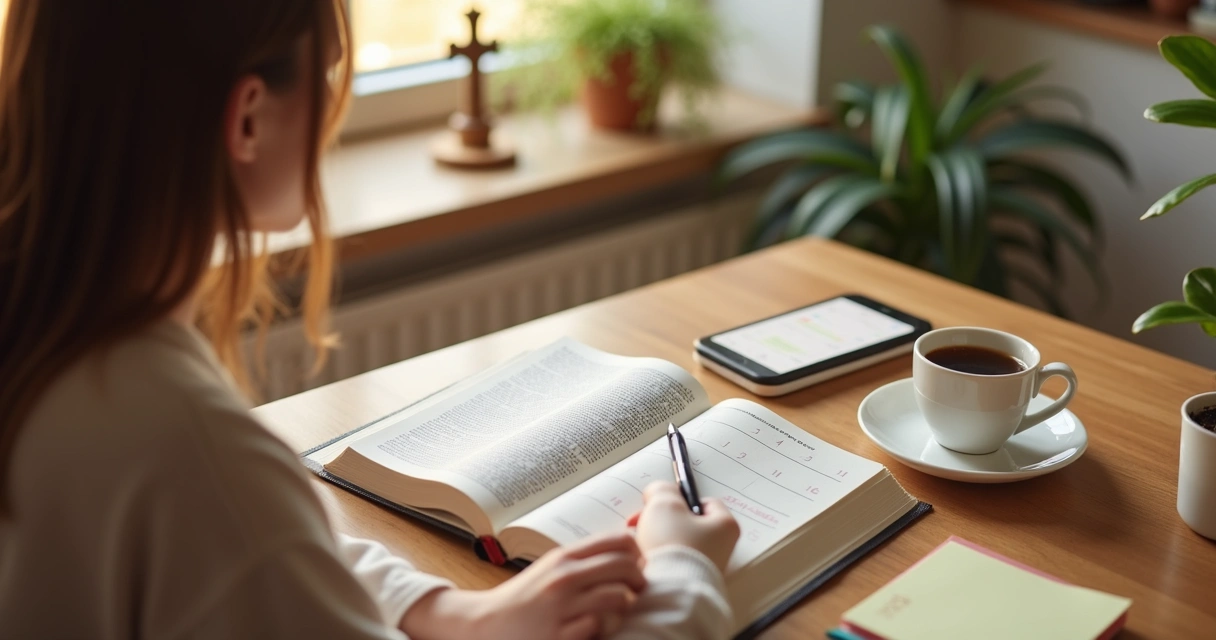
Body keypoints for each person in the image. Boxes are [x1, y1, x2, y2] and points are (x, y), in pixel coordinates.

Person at [0, 1, 741, 638]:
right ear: (249, 119)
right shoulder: (187, 445)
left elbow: (249, 546)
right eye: (327, 78)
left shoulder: (55, 332)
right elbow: (235, 518)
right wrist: (684, 573)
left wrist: (446, 610)